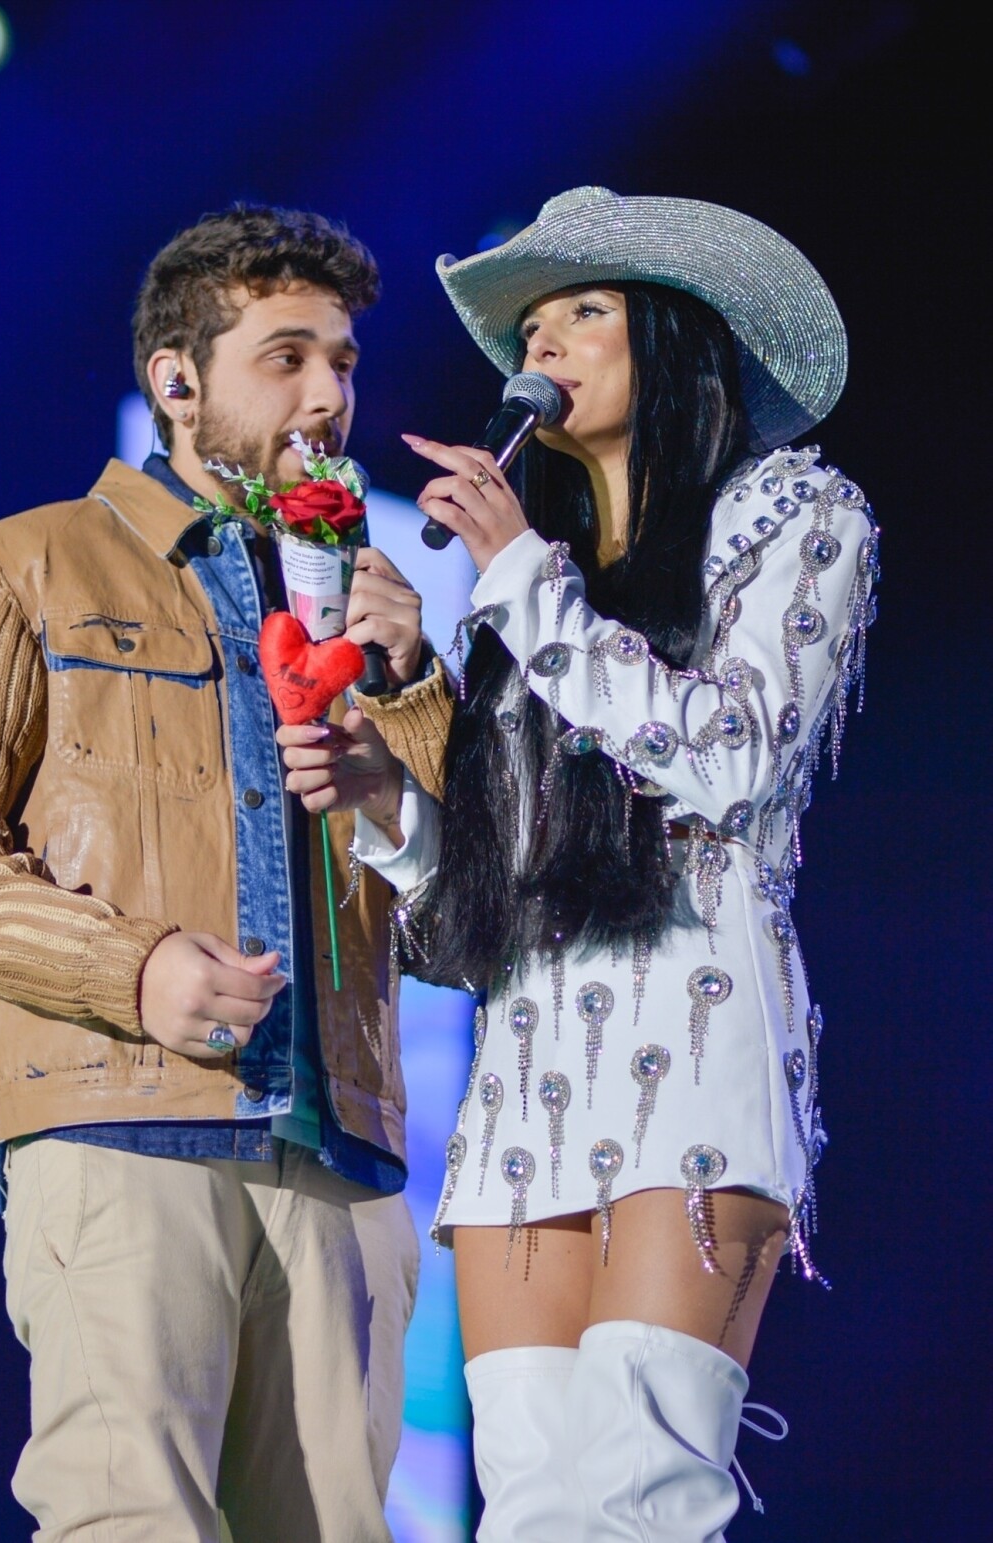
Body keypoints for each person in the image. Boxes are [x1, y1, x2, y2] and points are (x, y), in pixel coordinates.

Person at [278, 185, 878, 1540]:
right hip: (525, 1076)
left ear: (673, 337)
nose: (542, 345)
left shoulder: (799, 515)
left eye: (584, 311)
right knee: (535, 1501)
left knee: (639, 1495)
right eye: (530, 325)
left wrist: (517, 578)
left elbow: (730, 759)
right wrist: (387, 805)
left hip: (698, 1040)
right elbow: (473, 915)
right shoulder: (523, 598)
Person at [0, 202, 449, 1542]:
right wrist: (129, 969)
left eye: (344, 362)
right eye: (285, 356)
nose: (328, 395)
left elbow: (480, 912)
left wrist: (410, 689)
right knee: (132, 1523)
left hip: (339, 1152)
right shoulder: (27, 565)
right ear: (176, 379)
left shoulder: (362, 605)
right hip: (123, 1122)